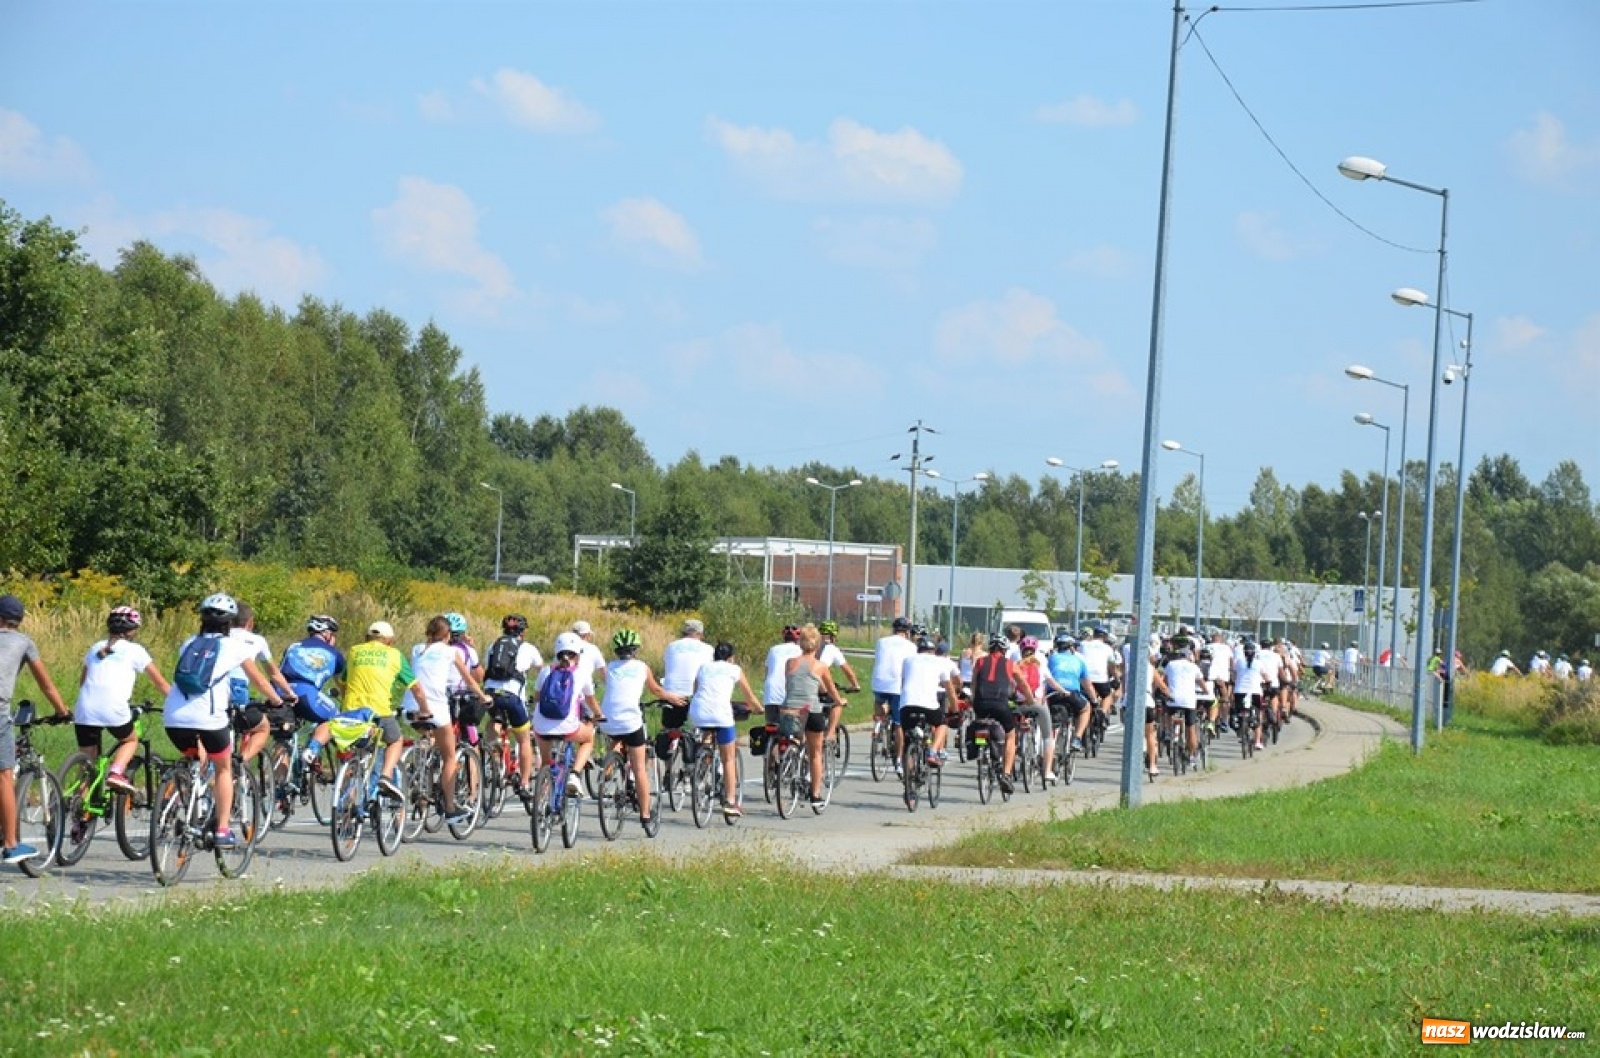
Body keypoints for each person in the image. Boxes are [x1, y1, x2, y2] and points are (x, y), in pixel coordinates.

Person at [164, 594, 289, 849]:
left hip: (173, 717)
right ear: (230, 623)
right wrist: (277, 701)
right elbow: (260, 681)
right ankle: (221, 829)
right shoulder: (234, 647)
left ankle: (188, 800)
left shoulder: (189, 643)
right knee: (223, 768)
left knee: (197, 759)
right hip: (209, 718)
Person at [1, 594, 72, 865]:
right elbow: (46, 685)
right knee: (4, 775)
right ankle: (10, 844)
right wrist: (63, 711)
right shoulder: (23, 642)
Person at [73, 606, 172, 796]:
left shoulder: (96, 647)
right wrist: (176, 700)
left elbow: (83, 681)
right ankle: (116, 772)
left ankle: (78, 811)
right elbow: (160, 682)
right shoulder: (135, 650)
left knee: (87, 761)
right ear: (132, 630)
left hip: (84, 708)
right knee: (130, 740)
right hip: (112, 708)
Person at [405, 615, 491, 824]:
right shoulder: (451, 651)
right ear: (448, 635)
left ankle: (421, 770)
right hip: (435, 707)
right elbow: (471, 681)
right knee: (450, 756)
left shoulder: (417, 649)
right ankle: (451, 807)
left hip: (410, 707)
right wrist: (483, 697)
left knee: (429, 739)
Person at [323, 621, 423, 799]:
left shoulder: (355, 651)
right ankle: (385, 776)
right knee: (395, 740)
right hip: (379, 712)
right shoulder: (395, 655)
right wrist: (425, 709)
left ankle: (346, 801)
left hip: (352, 712)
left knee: (352, 752)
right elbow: (416, 689)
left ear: (367, 638)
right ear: (390, 641)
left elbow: (344, 683)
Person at [599, 628, 681, 824]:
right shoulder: (642, 667)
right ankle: (645, 813)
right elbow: (656, 689)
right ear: (635, 650)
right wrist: (674, 698)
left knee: (616, 735)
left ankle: (609, 766)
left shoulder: (610, 667)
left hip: (607, 718)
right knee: (639, 768)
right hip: (630, 720)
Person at [688, 641, 758, 818]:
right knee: (728, 758)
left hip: (698, 713)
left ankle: (702, 763)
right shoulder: (734, 669)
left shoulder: (703, 668)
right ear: (731, 658)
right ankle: (730, 801)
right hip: (721, 715)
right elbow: (749, 696)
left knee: (707, 733)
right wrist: (759, 709)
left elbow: (696, 690)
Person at [532, 631, 603, 797]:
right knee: (588, 739)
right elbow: (590, 701)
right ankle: (575, 775)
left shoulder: (545, 671)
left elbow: (536, 697)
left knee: (546, 762)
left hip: (541, 727)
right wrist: (598, 715)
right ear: (577, 654)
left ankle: (543, 800)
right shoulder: (581, 673)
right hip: (568, 726)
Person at [783, 624, 845, 809]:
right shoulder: (820, 666)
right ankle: (815, 794)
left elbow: (791, 685)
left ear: (800, 644)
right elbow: (831, 691)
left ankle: (787, 764)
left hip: (788, 709)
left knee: (792, 738)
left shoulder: (790, 662)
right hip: (811, 711)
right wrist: (839, 701)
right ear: (817, 645)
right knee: (815, 752)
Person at [482, 614, 544, 796]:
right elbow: (541, 669)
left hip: (491, 694)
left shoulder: (493, 646)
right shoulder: (528, 648)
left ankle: (494, 751)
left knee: (495, 719)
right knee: (524, 739)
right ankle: (524, 783)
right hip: (513, 697)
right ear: (523, 631)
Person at [227, 602, 294, 766]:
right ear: (250, 622)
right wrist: (289, 693)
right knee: (261, 727)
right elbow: (273, 673)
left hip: (212, 688)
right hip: (237, 688)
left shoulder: (220, 636)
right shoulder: (257, 640)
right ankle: (240, 763)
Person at [967, 634, 1032, 794]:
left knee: (981, 723)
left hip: (981, 704)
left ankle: (981, 748)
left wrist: (973, 701)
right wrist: (1030, 700)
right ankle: (1007, 774)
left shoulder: (980, 662)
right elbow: (1022, 683)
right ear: (1004, 650)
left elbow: (974, 684)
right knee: (1010, 735)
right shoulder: (1010, 664)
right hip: (1000, 705)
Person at [1015, 636, 1068, 783]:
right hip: (1037, 704)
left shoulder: (1016, 665)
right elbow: (1052, 683)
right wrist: (1064, 691)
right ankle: (1047, 771)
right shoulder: (1041, 665)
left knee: (1011, 731)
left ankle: (1011, 759)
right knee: (1048, 736)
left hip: (1020, 704)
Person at [870, 616, 918, 768]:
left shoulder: (881, 642)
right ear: (907, 632)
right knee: (899, 725)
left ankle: (879, 723)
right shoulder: (911, 647)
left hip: (878, 683)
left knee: (880, 703)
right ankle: (898, 758)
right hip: (897, 686)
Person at [660, 618, 714, 739]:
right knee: (708, 728)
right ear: (699, 634)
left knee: (668, 730)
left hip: (671, 694)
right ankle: (705, 752)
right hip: (696, 695)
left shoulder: (671, 646)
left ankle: (667, 751)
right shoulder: (709, 649)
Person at [1047, 633, 1099, 753]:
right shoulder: (1079, 661)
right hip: (1071, 693)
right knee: (1085, 709)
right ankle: (1077, 738)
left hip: (1053, 693)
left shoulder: (1052, 658)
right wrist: (1094, 701)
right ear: (1071, 648)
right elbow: (1087, 685)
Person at [816, 620, 859, 743]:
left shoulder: (811, 645)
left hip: (805, 683)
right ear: (833, 636)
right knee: (837, 703)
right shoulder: (832, 649)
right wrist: (855, 685)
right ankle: (829, 734)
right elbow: (848, 671)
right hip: (819, 683)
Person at [1161, 643, 1205, 765]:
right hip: (1188, 701)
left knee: (1168, 713)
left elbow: (1163, 679)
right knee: (1191, 729)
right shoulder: (1193, 666)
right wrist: (1206, 691)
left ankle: (1169, 732)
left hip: (1173, 698)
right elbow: (1201, 682)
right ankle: (1192, 756)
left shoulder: (1170, 664)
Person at [763, 625, 803, 726]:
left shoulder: (773, 649)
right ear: (798, 638)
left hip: (771, 693)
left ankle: (769, 741)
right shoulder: (801, 651)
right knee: (795, 729)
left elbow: (767, 673)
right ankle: (796, 741)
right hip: (790, 694)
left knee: (771, 726)